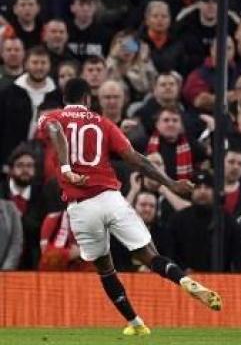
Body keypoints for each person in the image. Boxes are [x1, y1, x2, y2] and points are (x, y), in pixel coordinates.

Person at [38, 78, 221, 337]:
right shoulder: (104, 123)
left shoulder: (52, 116)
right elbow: (136, 159)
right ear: (88, 99)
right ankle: (184, 280)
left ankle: (135, 323)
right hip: (111, 198)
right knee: (149, 255)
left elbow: (55, 128)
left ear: (64, 98)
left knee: (105, 267)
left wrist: (66, 168)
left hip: (80, 207)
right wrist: (169, 182)